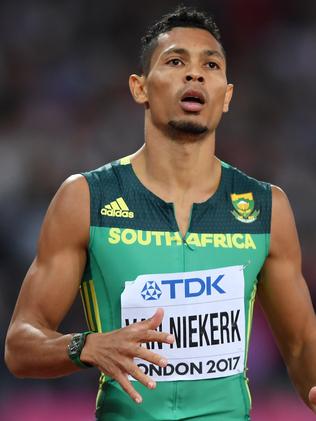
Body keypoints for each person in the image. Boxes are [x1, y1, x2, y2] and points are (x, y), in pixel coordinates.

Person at [4, 5, 316, 420]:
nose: (195, 74)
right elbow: (20, 345)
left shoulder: (266, 208)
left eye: (211, 64)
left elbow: (300, 345)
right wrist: (86, 346)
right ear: (140, 88)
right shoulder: (86, 199)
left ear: (226, 96)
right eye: (175, 61)